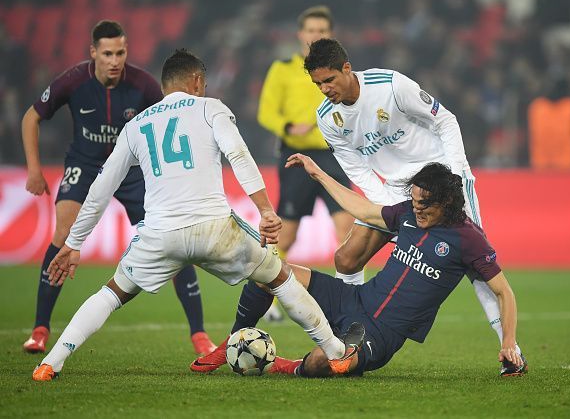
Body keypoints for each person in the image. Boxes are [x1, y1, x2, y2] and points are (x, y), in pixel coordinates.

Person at [31, 49, 363, 381]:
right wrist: (264, 210)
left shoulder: (136, 125)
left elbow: (101, 187)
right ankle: (336, 353)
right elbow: (238, 154)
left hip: (161, 234)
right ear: (197, 82)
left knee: (112, 293)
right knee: (278, 278)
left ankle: (51, 363)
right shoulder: (211, 109)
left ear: (164, 87)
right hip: (216, 229)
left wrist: (74, 243)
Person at [304, 38, 526, 374]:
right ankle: (347, 333)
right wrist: (392, 205)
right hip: (395, 190)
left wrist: (452, 179)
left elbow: (445, 120)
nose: (324, 89)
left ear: (347, 68)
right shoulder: (327, 118)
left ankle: (510, 350)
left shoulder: (391, 85)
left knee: (474, 264)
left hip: (440, 179)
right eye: (318, 84)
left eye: (329, 80)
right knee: (346, 257)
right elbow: (358, 169)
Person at [193, 157, 527, 377]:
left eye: (424, 204)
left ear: (448, 202)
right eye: (413, 201)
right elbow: (365, 210)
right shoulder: (408, 214)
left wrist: (508, 342)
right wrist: (319, 175)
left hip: (380, 334)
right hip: (353, 300)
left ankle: (289, 367)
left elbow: (503, 291)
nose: (417, 209)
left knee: (328, 362)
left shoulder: (468, 239)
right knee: (267, 271)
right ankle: (230, 342)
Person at [21, 20, 215, 356]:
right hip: (85, 165)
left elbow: (173, 116)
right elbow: (30, 117)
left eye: (121, 52)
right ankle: (39, 330)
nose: (115, 60)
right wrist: (35, 170)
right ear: (93, 52)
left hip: (130, 172)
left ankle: (199, 335)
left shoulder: (143, 85)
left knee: (172, 238)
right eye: (108, 53)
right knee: (64, 233)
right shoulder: (72, 81)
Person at [257, 6, 353, 321]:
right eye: (311, 30)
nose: (316, 35)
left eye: (322, 31)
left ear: (330, 35)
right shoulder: (283, 69)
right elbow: (266, 112)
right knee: (287, 236)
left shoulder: (339, 71)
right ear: (301, 34)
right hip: (296, 159)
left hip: (333, 156)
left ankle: (348, 300)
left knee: (347, 228)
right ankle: (269, 299)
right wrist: (287, 127)